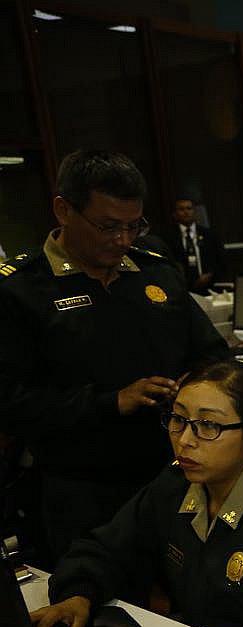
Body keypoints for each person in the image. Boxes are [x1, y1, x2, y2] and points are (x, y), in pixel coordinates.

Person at [0, 150, 229, 564]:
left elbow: (212, 354)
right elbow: (13, 404)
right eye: (107, 227)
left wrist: (192, 388)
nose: (123, 240)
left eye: (133, 226)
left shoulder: (155, 272)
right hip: (84, 493)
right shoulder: (21, 291)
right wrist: (112, 401)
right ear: (63, 210)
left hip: (176, 479)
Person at [28, 360, 243, 627]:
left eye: (208, 425)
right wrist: (78, 595)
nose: (184, 440)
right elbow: (107, 549)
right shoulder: (173, 486)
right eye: (178, 420)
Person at [156, 196, 229, 294]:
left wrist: (211, 274)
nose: (186, 212)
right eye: (181, 209)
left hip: (210, 288)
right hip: (181, 290)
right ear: (174, 214)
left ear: (194, 212)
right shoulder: (167, 238)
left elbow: (222, 260)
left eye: (189, 208)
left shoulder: (209, 235)